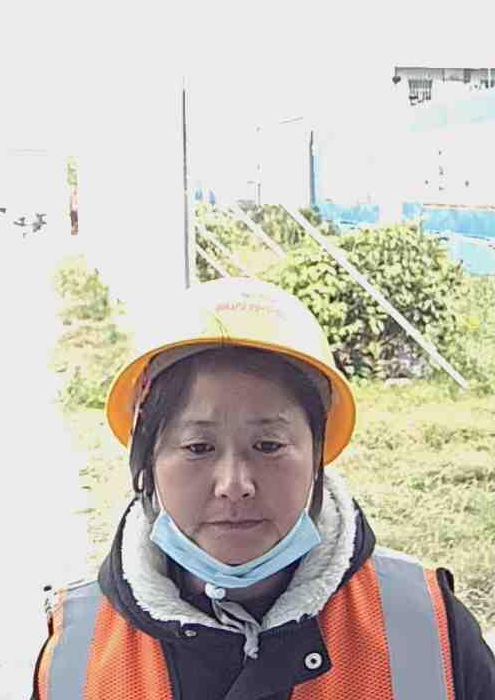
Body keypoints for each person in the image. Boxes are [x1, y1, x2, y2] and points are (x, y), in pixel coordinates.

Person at [31, 277, 495, 699]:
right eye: (198, 447)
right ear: (147, 461)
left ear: (318, 454)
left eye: (268, 445)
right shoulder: (77, 651)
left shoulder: (428, 628)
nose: (235, 485)